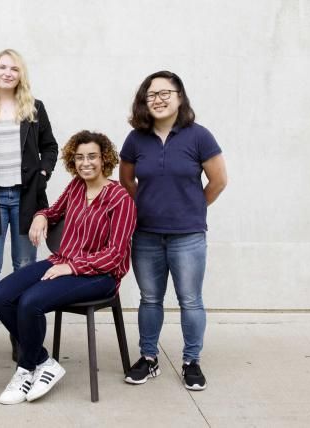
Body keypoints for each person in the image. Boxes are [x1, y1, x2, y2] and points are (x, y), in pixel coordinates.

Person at [0, 130, 136, 404]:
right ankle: (44, 362)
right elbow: (53, 211)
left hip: (100, 276)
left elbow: (116, 255)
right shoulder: (76, 187)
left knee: (30, 302)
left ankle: (25, 368)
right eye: (79, 157)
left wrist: (73, 267)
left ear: (104, 158)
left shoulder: (120, 199)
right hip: (61, 262)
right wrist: (40, 216)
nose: (85, 163)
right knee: (1, 295)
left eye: (92, 156)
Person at [119, 70, 227, 391]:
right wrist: (146, 206)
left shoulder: (199, 136)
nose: (159, 99)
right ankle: (148, 358)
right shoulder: (135, 139)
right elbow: (127, 180)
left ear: (180, 97)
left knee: (190, 300)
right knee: (150, 299)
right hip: (146, 235)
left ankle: (191, 361)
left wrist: (193, 208)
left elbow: (218, 181)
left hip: (188, 236)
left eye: (166, 93)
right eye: (152, 94)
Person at [0, 48, 58, 372]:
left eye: (14, 68)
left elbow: (50, 147)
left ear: (21, 74)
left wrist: (43, 173)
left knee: (24, 266)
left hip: (26, 198)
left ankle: (20, 333)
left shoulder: (34, 108)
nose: (7, 73)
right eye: (2, 67)